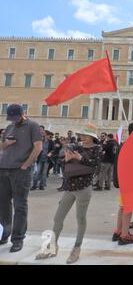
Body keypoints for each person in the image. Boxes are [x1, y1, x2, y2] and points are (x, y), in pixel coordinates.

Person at [35, 124, 101, 264]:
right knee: (58, 218)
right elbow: (65, 164)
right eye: (81, 135)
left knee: (80, 218)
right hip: (70, 186)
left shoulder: (97, 149)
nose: (81, 137)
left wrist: (80, 159)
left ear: (91, 136)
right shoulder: (77, 146)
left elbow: (95, 166)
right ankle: (52, 246)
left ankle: (77, 248)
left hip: (83, 188)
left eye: (84, 135)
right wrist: (66, 160)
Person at [0, 104, 42, 253]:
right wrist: (6, 143)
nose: (13, 121)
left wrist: (26, 165)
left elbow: (38, 147)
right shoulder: (9, 127)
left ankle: (18, 239)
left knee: (20, 205)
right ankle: (4, 233)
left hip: (20, 171)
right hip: (4, 168)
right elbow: (1, 147)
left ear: (23, 114)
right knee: (3, 204)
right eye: (11, 118)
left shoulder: (33, 126)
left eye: (15, 118)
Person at [112, 122, 133, 246]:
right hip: (130, 181)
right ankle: (124, 235)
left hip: (123, 180)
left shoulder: (123, 144)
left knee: (122, 207)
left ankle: (118, 231)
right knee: (128, 208)